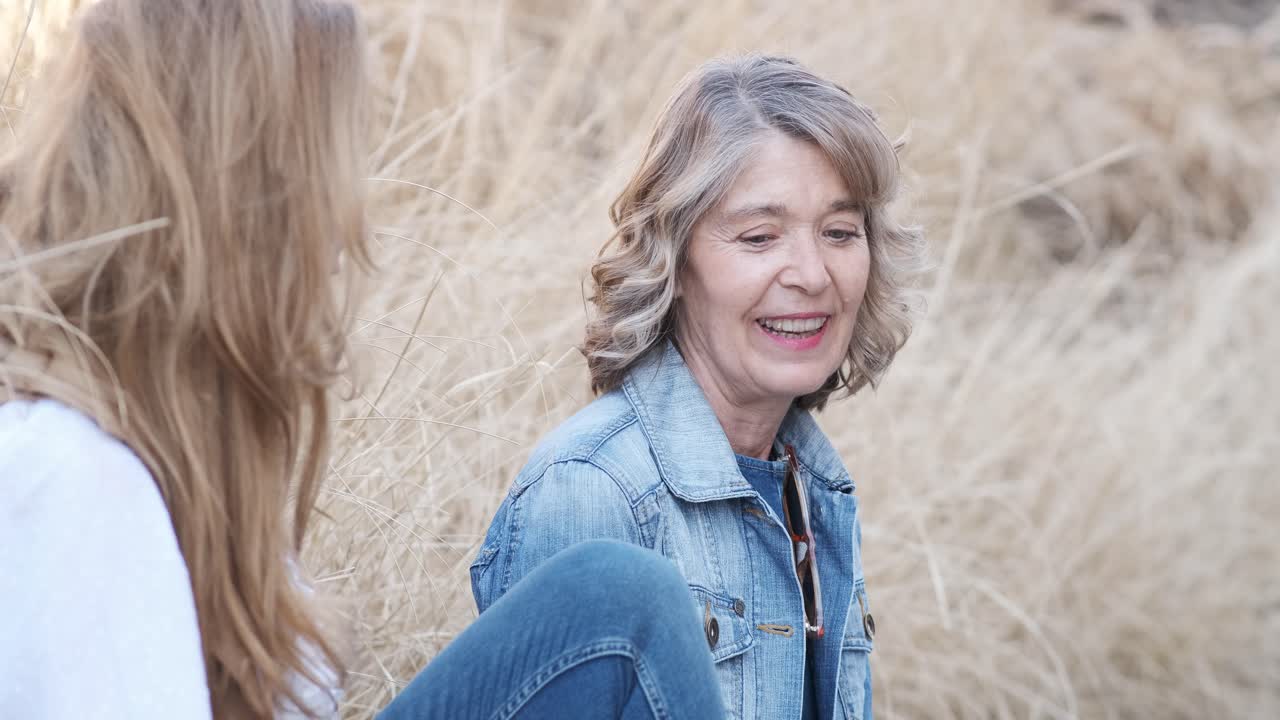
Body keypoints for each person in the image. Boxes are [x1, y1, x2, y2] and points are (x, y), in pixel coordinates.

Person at [0, 1, 724, 719]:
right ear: (251, 206)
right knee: (625, 604)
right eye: (334, 162)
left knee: (615, 599)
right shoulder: (70, 483)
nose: (352, 217)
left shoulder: (180, 448)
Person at [471, 54, 925, 720]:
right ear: (675, 261)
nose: (811, 274)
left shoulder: (811, 486)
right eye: (759, 237)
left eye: (839, 233)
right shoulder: (591, 494)